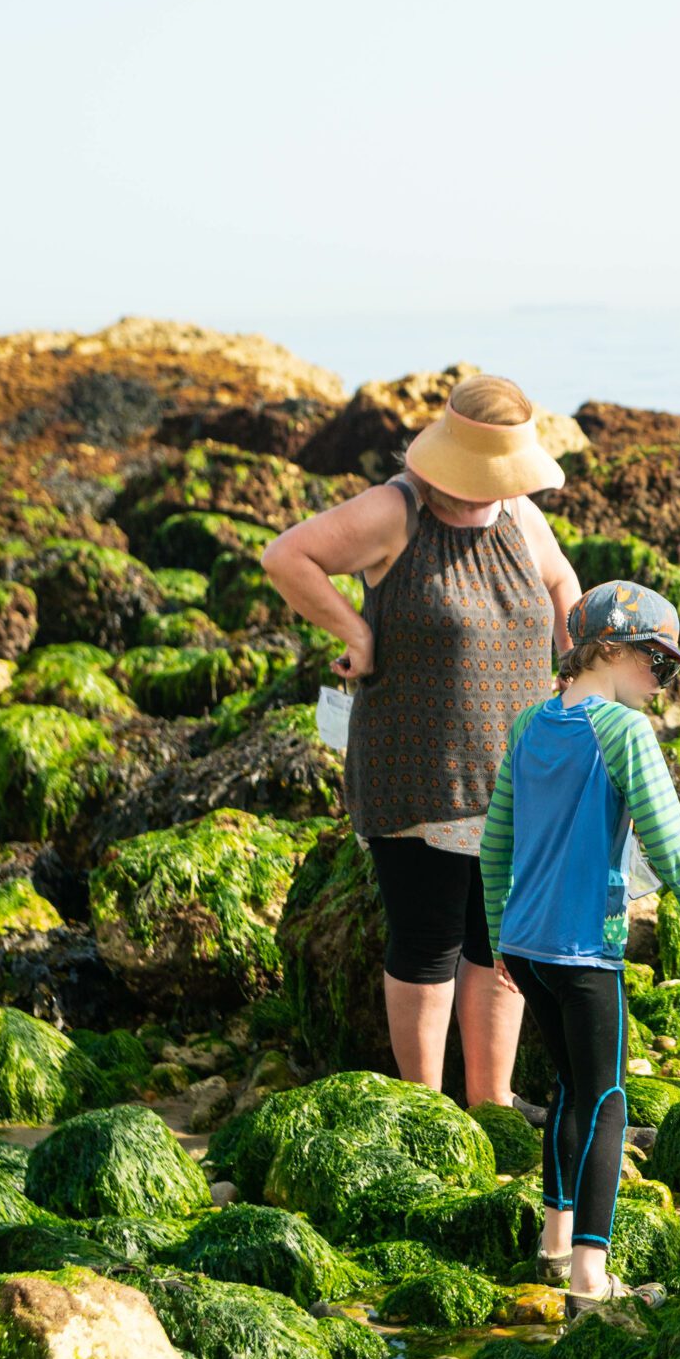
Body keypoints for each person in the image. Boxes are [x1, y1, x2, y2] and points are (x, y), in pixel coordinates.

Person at [262, 375, 582, 1106]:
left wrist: (576, 652)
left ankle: (491, 1103)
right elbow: (287, 557)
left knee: (498, 947)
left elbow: (564, 581)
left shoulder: (522, 517)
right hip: (419, 774)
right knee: (427, 942)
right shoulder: (396, 511)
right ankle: (427, 1106)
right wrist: (356, 630)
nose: (484, 490)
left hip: (517, 777)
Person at [479, 582, 680, 1305]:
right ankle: (593, 1274)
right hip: (583, 948)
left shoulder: (530, 722)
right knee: (608, 1100)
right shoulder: (623, 733)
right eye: (660, 664)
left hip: (529, 946)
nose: (663, 683)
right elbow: (669, 843)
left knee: (570, 1087)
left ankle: (554, 1241)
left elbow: (495, 840)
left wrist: (500, 934)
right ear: (615, 650)